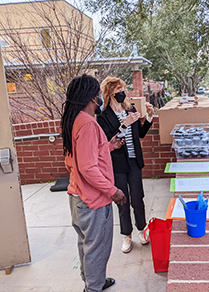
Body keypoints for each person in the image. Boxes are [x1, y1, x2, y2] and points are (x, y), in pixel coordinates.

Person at [61, 74, 126, 292]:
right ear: (92, 97)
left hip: (78, 197)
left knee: (86, 245)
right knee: (97, 248)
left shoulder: (75, 119)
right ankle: (93, 287)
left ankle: (92, 281)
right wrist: (113, 190)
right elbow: (88, 168)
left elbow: (81, 157)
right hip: (93, 201)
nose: (101, 96)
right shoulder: (88, 124)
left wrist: (107, 147)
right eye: (98, 93)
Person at [97, 76, 154, 253]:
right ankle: (126, 235)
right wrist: (124, 125)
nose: (123, 94)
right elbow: (108, 141)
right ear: (110, 94)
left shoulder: (131, 109)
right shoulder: (103, 117)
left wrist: (149, 118)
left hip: (134, 161)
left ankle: (142, 228)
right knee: (122, 200)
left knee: (138, 198)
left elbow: (140, 135)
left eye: (123, 90)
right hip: (117, 164)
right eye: (118, 91)